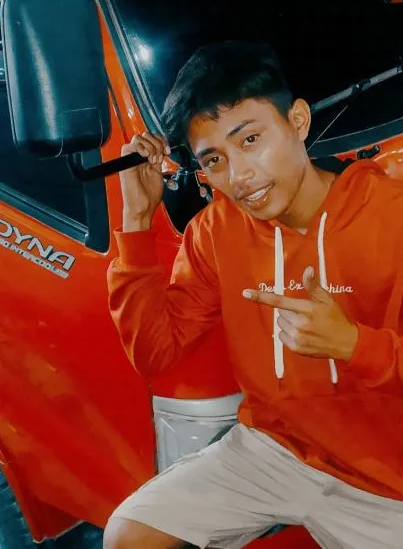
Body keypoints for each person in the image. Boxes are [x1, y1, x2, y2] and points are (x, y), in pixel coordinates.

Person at [103, 41, 403, 549]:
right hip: (274, 449)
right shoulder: (216, 230)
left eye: (251, 140)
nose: (239, 177)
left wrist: (353, 345)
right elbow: (156, 351)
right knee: (127, 535)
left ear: (299, 121)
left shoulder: (390, 212)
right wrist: (136, 219)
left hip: (388, 481)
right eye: (214, 159)